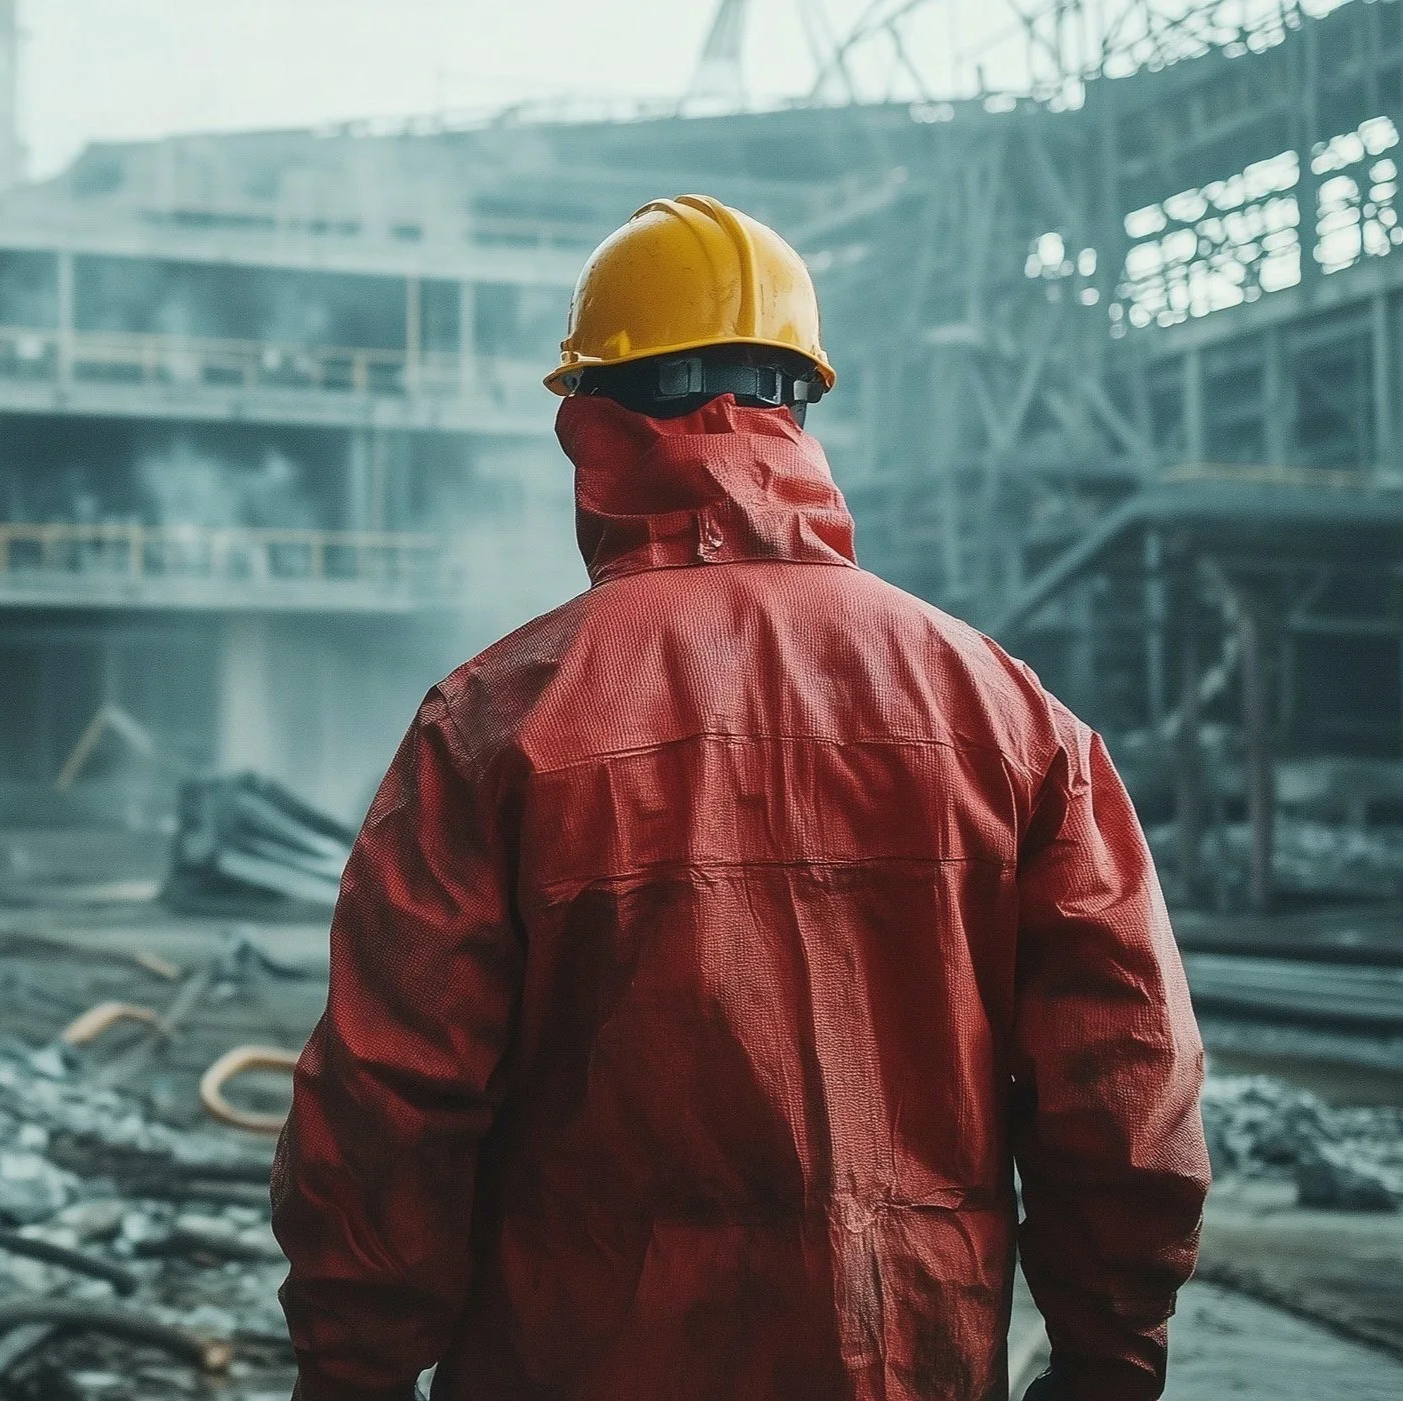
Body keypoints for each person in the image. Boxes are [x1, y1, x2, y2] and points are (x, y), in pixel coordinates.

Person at [270, 195, 1209, 1401]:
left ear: (591, 421)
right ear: (798, 404)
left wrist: (352, 1370)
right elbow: (1128, 1072)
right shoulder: (1008, 710)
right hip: (904, 1359)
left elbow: (390, 1093)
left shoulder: (496, 719)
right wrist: (1109, 1358)